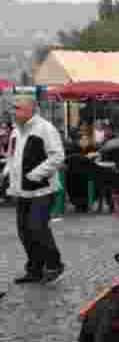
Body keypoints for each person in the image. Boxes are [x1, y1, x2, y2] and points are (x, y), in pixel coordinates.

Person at [2, 94, 66, 284]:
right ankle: (35, 269)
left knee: (37, 227)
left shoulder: (46, 128)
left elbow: (57, 156)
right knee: (24, 231)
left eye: (18, 108)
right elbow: (12, 157)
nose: (14, 112)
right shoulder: (16, 131)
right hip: (22, 190)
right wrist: (6, 174)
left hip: (42, 190)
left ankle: (54, 265)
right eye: (13, 108)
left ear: (31, 109)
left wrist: (35, 175)